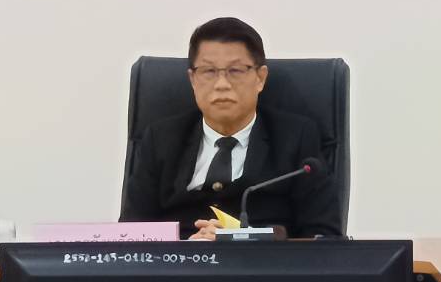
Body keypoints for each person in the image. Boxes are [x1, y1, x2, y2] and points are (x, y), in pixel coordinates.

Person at [120, 17, 341, 240]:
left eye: (235, 71)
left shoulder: (296, 137)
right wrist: (186, 251)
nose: (222, 84)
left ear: (260, 78)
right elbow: (128, 237)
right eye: (208, 71)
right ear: (193, 79)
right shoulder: (161, 139)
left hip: (260, 260)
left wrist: (241, 240)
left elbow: (324, 239)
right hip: (177, 259)